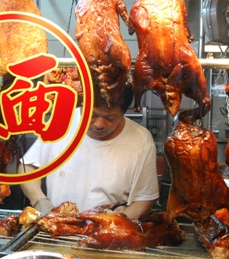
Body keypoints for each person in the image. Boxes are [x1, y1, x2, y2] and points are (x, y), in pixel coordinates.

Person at [17, 83, 159, 219]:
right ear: (81, 106)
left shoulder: (141, 140)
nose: (99, 124)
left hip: (105, 238)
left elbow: (143, 201)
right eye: (92, 114)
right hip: (56, 230)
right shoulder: (62, 120)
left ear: (123, 112)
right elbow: (27, 167)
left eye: (110, 118)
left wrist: (111, 226)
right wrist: (40, 201)